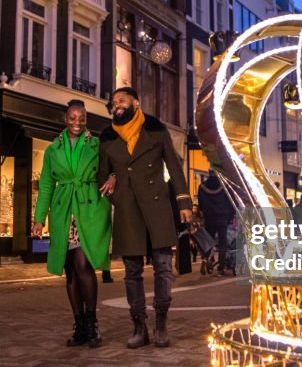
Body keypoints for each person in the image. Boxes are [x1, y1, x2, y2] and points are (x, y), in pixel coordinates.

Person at [97, 87, 193, 348]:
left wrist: (183, 201)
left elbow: (174, 166)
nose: (116, 104)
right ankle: (139, 326)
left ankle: (160, 324)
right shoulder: (106, 137)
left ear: (135, 103)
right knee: (132, 271)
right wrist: (112, 184)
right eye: (114, 101)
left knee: (163, 267)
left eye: (122, 100)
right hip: (128, 209)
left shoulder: (154, 129)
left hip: (157, 206)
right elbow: (101, 176)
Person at [33, 100, 112, 348]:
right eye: (73, 118)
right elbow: (46, 185)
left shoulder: (98, 145)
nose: (77, 122)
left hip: (90, 208)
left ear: (86, 119)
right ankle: (79, 325)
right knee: (70, 268)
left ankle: (92, 324)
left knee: (83, 263)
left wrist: (114, 178)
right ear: (65, 119)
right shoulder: (52, 150)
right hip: (63, 209)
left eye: (82, 118)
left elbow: (113, 168)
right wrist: (38, 219)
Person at [197, 171, 236, 275]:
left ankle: (206, 259)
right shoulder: (225, 186)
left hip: (209, 217)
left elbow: (200, 203)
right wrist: (231, 216)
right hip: (222, 218)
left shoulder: (202, 186)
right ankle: (221, 267)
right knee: (223, 242)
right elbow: (231, 202)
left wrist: (203, 212)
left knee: (208, 240)